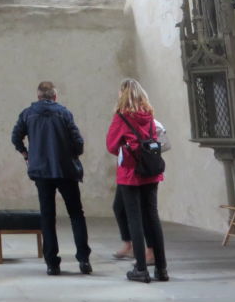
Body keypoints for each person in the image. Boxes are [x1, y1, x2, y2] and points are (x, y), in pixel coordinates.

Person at [11, 81, 92, 276]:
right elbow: (78, 142)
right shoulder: (64, 113)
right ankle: (83, 260)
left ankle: (52, 264)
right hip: (66, 171)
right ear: (55, 96)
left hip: (41, 172)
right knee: (76, 214)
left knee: (47, 217)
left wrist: (26, 154)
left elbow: (15, 137)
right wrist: (72, 154)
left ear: (38, 96)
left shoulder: (28, 113)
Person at [106, 79, 169, 283]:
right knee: (152, 217)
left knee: (135, 218)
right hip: (150, 171)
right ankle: (162, 268)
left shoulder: (121, 117)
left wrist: (125, 149)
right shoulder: (149, 115)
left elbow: (111, 145)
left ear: (122, 95)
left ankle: (141, 269)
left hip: (130, 173)